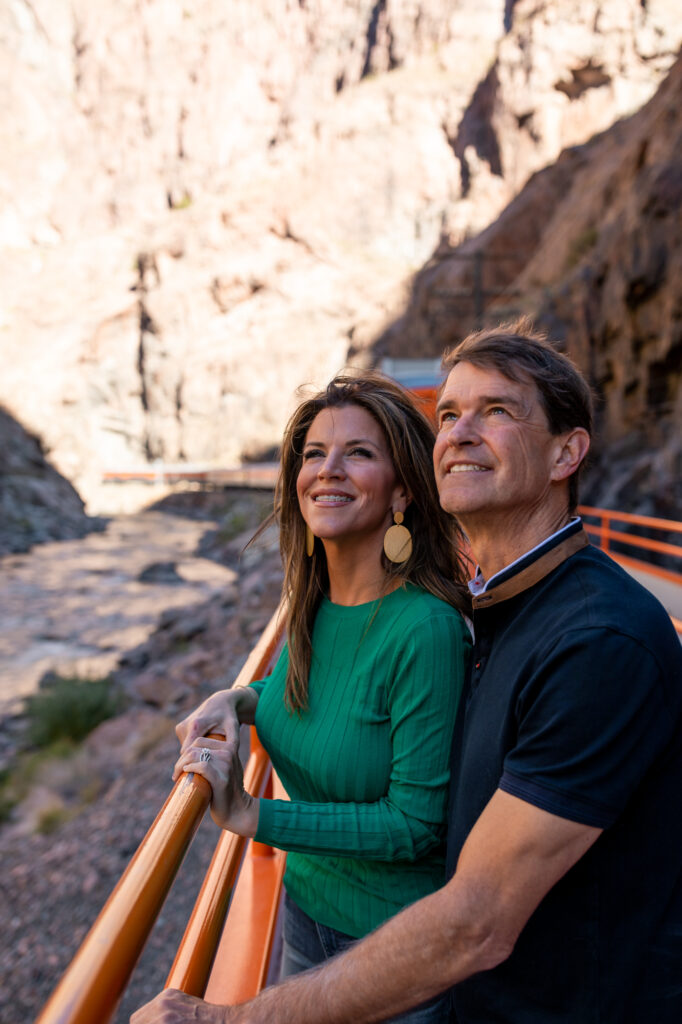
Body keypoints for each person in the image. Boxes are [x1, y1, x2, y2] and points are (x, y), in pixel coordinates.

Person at [133, 323, 682, 1024]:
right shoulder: (497, 602)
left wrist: (228, 1017)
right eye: (448, 414)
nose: (459, 432)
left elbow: (474, 920)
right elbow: (358, 698)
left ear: (566, 453)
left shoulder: (595, 641)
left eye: (498, 411)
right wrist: (244, 697)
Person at [165, 372, 471, 1023]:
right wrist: (238, 698)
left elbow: (418, 825)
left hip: (391, 952)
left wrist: (252, 815)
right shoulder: (316, 602)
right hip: (304, 913)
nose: (328, 470)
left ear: (404, 490)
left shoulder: (426, 629)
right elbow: (320, 696)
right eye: (313, 454)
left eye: (358, 452)